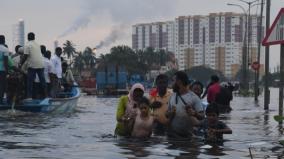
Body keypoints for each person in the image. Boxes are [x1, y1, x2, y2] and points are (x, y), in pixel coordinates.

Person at [166, 71, 204, 138]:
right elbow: (166, 114)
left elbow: (202, 116)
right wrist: (170, 113)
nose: (172, 84)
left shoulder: (194, 97)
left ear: (179, 81)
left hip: (188, 137)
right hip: (172, 136)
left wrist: (194, 113)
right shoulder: (172, 96)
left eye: (173, 81)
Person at [20, 32, 46, 100]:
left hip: (32, 65)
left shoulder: (27, 45)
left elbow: (25, 56)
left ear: (28, 37)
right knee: (42, 80)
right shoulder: (38, 45)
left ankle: (29, 97)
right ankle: (46, 95)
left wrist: (20, 64)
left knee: (30, 82)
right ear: (34, 37)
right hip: (41, 64)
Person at [0, 35, 9, 104]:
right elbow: (6, 62)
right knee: (2, 85)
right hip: (2, 70)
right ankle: (0, 100)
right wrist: (7, 71)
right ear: (4, 41)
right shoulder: (5, 49)